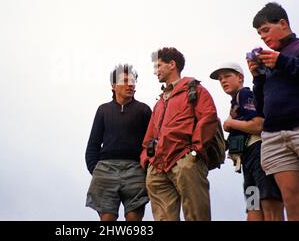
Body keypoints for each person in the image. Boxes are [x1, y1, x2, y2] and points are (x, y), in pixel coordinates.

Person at [247, 2, 299, 220]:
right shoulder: (270, 63)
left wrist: (282, 61)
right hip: (274, 136)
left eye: (265, 30)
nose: (262, 37)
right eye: (259, 33)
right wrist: (258, 78)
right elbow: (262, 107)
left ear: (283, 23)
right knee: (292, 202)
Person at [140, 47, 218, 221]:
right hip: (158, 167)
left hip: (185, 161)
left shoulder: (195, 90)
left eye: (159, 66)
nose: (155, 72)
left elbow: (209, 118)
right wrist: (147, 159)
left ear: (172, 65)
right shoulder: (159, 102)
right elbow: (150, 134)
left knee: (197, 216)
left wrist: (194, 152)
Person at [209, 62, 284, 221]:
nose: (223, 81)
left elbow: (258, 125)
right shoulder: (235, 101)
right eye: (220, 78)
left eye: (227, 76)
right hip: (248, 157)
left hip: (259, 153)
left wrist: (230, 124)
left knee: (269, 202)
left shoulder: (245, 94)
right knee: (253, 205)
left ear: (240, 77)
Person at [85, 64, 152, 221]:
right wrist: (95, 169)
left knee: (134, 219)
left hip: (135, 170)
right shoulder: (103, 110)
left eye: (133, 81)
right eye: (125, 80)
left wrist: (146, 169)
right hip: (105, 169)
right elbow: (93, 144)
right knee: (107, 219)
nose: (130, 84)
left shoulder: (144, 110)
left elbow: (151, 143)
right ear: (114, 85)